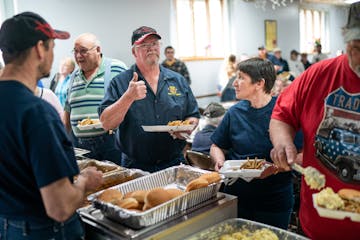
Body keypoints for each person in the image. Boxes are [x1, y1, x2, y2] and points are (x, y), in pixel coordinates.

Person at [0, 11, 103, 239]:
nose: (53, 55)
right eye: (52, 47)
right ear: (39, 48)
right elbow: (60, 207)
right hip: (44, 231)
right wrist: (85, 180)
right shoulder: (36, 112)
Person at [269, 2, 360, 239]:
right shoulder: (318, 75)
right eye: (357, 46)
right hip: (317, 225)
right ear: (345, 39)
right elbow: (282, 116)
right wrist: (283, 143)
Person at [210, 57, 302, 230]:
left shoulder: (284, 113)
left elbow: (302, 156)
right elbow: (216, 146)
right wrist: (219, 161)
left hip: (274, 200)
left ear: (259, 83)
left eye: (241, 78)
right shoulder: (234, 113)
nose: (234, 83)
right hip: (237, 198)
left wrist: (276, 168)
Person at [99, 26, 200, 172]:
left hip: (174, 162)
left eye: (154, 44)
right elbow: (106, 123)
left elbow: (193, 115)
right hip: (135, 166)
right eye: (145, 45)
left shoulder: (177, 80)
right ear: (134, 51)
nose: (151, 48)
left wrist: (187, 127)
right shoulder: (120, 82)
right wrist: (128, 97)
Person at [64, 33, 127, 165]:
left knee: (115, 182)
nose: (78, 56)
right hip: (81, 147)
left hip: (111, 144)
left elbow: (132, 102)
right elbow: (68, 109)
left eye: (83, 51)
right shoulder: (73, 77)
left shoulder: (117, 68)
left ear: (98, 50)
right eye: (75, 51)